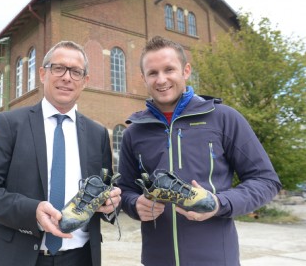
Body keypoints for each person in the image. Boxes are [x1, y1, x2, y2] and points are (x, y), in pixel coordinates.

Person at [117, 36, 281, 266]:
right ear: (143, 78)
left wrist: (219, 203)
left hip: (216, 259)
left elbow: (266, 180)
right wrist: (135, 204)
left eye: (169, 69)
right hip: (157, 260)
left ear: (186, 71)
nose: (161, 79)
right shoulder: (134, 132)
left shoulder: (224, 118)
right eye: (153, 73)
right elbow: (124, 190)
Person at [0, 40, 121, 266]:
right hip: (17, 258)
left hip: (80, 258)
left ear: (85, 81)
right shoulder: (10, 124)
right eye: (58, 68)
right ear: (42, 73)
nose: (67, 77)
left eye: (76, 72)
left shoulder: (97, 133)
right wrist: (33, 212)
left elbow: (104, 191)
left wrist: (110, 206)